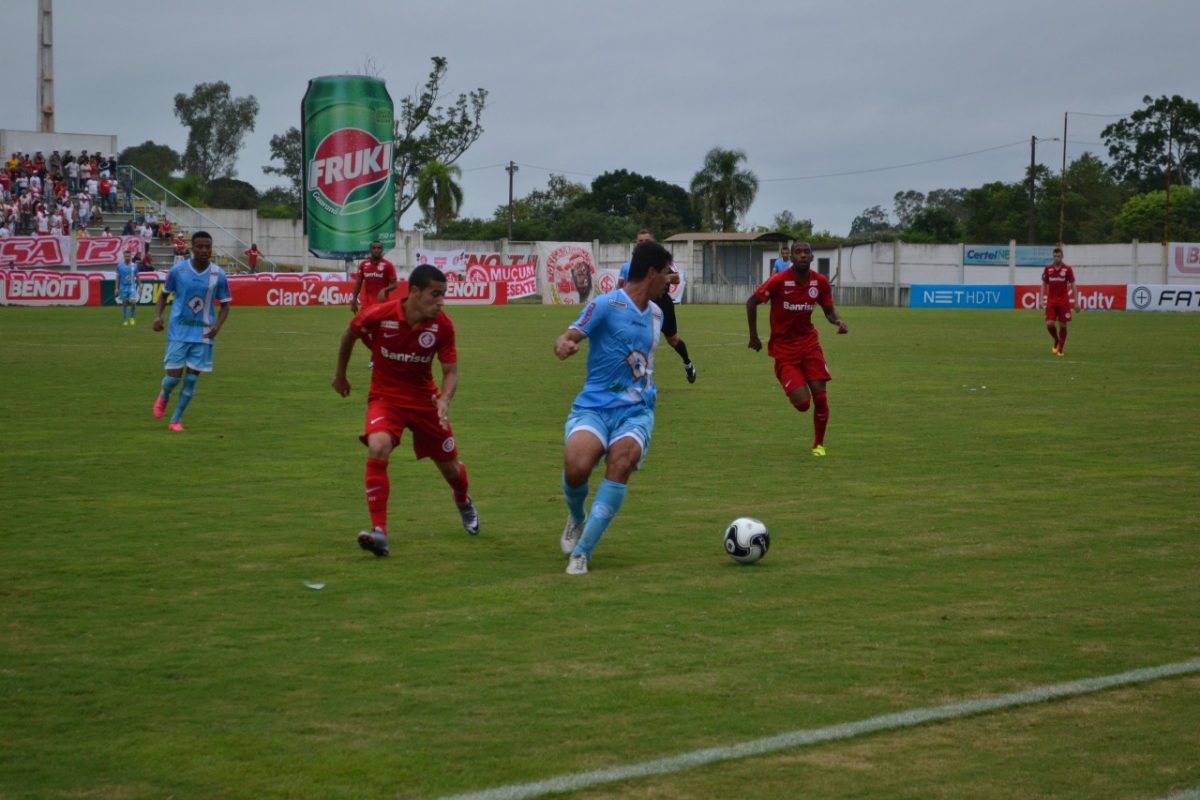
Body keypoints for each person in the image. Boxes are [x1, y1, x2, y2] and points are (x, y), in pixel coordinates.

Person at [332, 264, 479, 556]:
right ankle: (380, 533)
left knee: (451, 470)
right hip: (386, 398)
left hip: (426, 403)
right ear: (414, 292)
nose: (440, 302)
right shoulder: (379, 315)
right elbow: (350, 334)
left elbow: (450, 372)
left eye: (443, 295)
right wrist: (340, 376)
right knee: (378, 445)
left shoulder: (443, 326)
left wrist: (444, 399)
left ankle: (463, 500)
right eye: (434, 295)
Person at [556, 240, 674, 576]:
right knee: (577, 467)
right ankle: (577, 519)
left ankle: (582, 552)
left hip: (636, 411)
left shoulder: (657, 314)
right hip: (594, 406)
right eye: (666, 273)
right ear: (651, 272)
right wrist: (565, 344)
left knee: (620, 463)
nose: (669, 280)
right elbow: (569, 335)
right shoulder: (606, 305)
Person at [746, 241, 849, 458]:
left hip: (809, 345)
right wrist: (754, 337)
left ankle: (818, 445)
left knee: (821, 397)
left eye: (806, 252)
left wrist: (838, 321)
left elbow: (829, 311)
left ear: (812, 257)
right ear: (790, 258)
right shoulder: (779, 280)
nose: (802, 255)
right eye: (798, 253)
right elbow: (751, 302)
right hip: (784, 350)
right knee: (803, 404)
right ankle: (791, 378)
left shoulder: (819, 282)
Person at [151, 231, 231, 432]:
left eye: (207, 247)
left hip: (203, 334)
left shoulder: (218, 275)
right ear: (192, 248)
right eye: (200, 246)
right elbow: (163, 296)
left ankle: (176, 420)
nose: (204, 250)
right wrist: (157, 317)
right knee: (173, 378)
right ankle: (164, 394)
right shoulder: (178, 271)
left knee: (192, 378)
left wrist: (217, 326)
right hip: (179, 331)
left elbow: (225, 306)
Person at [617, 230, 696, 383]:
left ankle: (688, 363)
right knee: (635, 337)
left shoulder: (661, 259)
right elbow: (620, 286)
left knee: (672, 340)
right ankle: (634, 375)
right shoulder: (629, 265)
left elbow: (676, 278)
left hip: (662, 304)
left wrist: (659, 278)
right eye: (640, 241)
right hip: (639, 304)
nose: (643, 244)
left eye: (646, 241)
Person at [1038, 246, 1076, 356]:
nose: (1056, 258)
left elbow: (1073, 285)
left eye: (1058, 256)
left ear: (1062, 256)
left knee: (1063, 325)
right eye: (1054, 256)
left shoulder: (1068, 269)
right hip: (1051, 301)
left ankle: (1060, 349)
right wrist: (1041, 300)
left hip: (1064, 301)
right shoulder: (1048, 268)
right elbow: (1044, 284)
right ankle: (1056, 339)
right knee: (1050, 324)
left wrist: (1076, 302)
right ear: (1053, 256)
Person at [349, 240, 397, 313]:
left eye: (378, 248)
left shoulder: (388, 265)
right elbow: (358, 283)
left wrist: (384, 290)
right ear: (370, 250)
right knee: (361, 323)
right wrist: (354, 299)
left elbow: (394, 284)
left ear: (382, 250)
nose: (376, 250)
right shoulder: (364, 264)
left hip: (382, 304)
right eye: (374, 248)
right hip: (367, 305)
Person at [116, 250, 140, 326]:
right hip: (123, 287)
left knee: (133, 302)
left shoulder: (134, 265)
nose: (127, 257)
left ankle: (132, 317)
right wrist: (116, 288)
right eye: (126, 256)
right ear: (124, 256)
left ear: (131, 256)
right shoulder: (119, 266)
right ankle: (125, 320)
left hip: (132, 286)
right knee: (125, 304)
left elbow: (138, 276)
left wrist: (140, 286)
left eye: (129, 256)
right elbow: (118, 277)